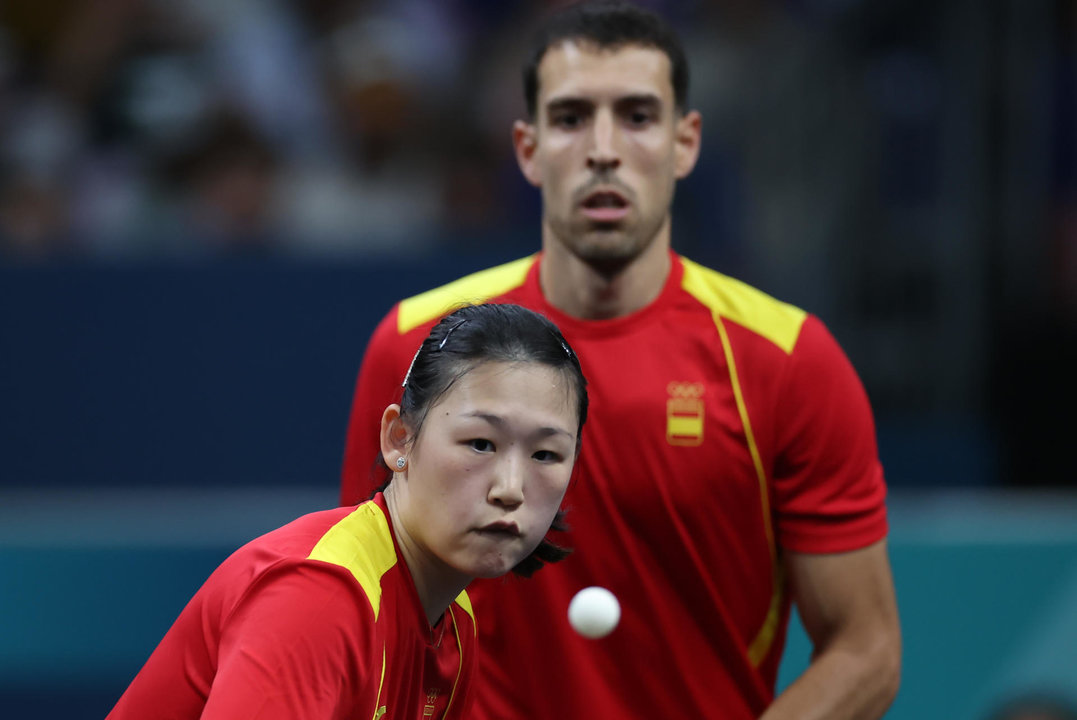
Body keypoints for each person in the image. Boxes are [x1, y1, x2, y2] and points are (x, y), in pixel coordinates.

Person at [340, 2, 901, 718]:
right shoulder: (416, 343)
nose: (602, 149)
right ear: (528, 147)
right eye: (572, 118)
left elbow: (865, 647)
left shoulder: (786, 361)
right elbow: (370, 613)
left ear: (684, 142)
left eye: (636, 116)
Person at [108, 303, 589, 720]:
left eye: (545, 455)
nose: (510, 488)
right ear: (399, 438)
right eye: (480, 443)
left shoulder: (454, 626)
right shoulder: (320, 595)